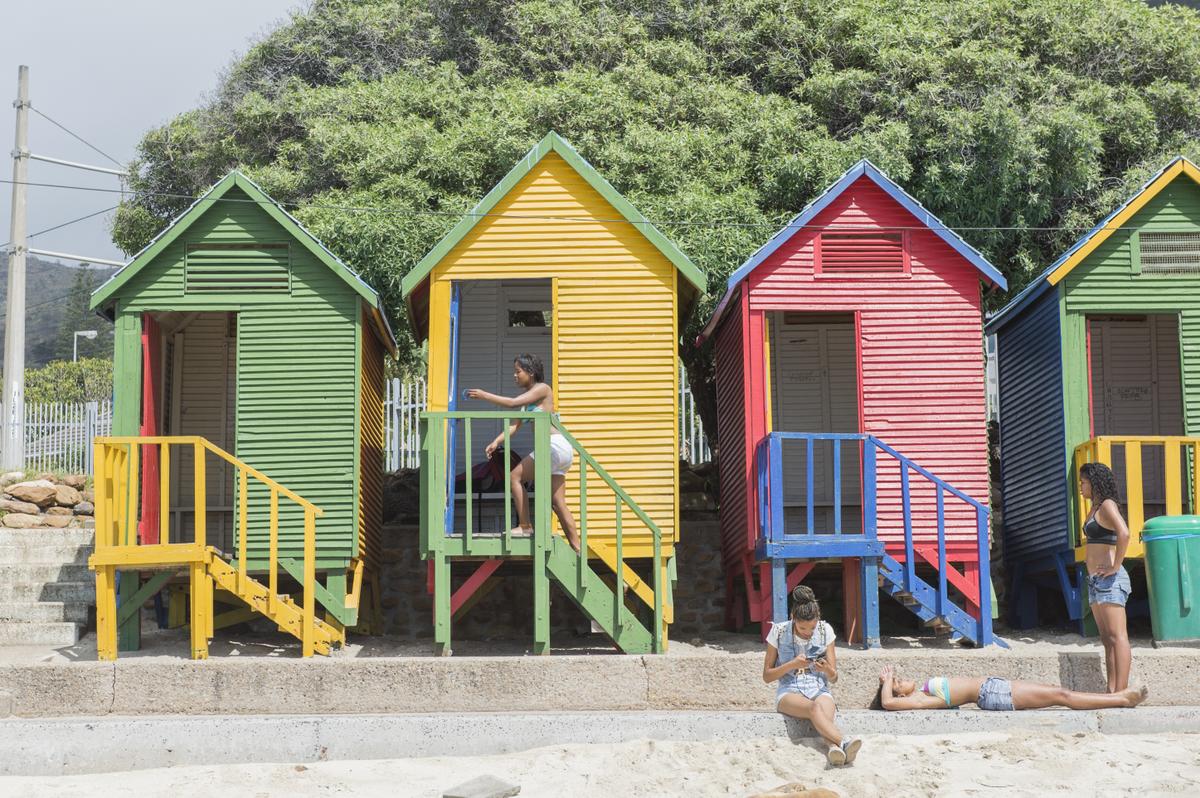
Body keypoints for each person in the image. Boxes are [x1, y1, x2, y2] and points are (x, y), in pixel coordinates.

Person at [467, 354, 581, 552]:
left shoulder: (543, 389)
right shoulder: (527, 401)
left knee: (514, 477)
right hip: (559, 449)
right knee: (558, 503)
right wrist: (496, 441)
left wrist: (485, 395)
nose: (515, 375)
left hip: (553, 445)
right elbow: (514, 426)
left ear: (531, 372)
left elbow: (511, 403)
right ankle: (578, 550)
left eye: (518, 371)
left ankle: (525, 526)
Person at [763, 585, 862, 766]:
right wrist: (792, 664)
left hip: (818, 687)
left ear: (818, 619)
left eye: (812, 628)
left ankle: (833, 749)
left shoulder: (825, 630)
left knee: (824, 711)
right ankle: (844, 742)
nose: (808, 633)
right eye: (802, 628)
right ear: (793, 618)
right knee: (815, 708)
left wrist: (825, 669)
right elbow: (767, 676)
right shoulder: (778, 632)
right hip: (788, 690)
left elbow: (834, 677)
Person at [876, 665, 1148, 711]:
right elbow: (888, 704)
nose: (901, 678)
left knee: (1057, 691)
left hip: (993, 687)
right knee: (1060, 696)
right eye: (899, 681)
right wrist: (887, 682)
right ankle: (1122, 700)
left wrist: (891, 683)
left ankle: (1117, 696)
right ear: (902, 693)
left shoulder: (924, 691)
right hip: (991, 694)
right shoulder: (922, 699)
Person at [1079, 461, 1133, 692]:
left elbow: (1125, 533)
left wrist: (1115, 566)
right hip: (1095, 581)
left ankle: (1121, 693)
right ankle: (1111, 692)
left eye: (1083, 482)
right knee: (1107, 639)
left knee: (1118, 636)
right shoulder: (1095, 507)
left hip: (1110, 580)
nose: (1081, 487)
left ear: (1094, 482)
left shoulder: (1108, 505)